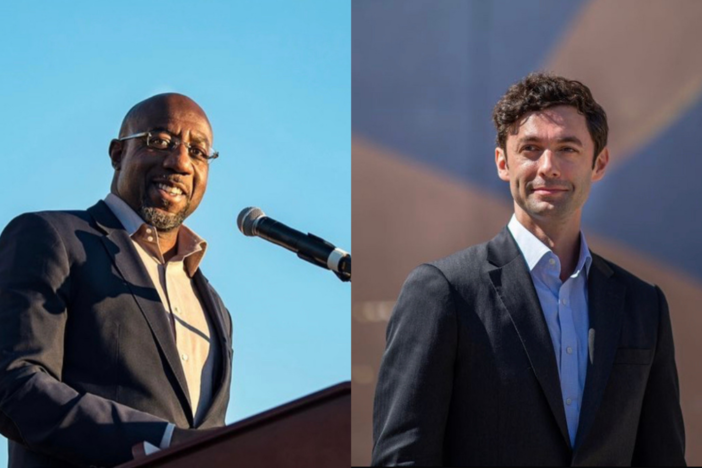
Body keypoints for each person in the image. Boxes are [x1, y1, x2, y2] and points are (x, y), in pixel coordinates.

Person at [372, 74, 685, 466]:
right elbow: (403, 459)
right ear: (503, 162)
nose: (548, 167)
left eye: (568, 149)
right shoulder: (443, 292)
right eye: (531, 149)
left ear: (599, 163)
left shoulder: (644, 305)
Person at [0, 93, 233, 467]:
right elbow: (14, 384)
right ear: (117, 153)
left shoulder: (214, 306)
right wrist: (164, 441)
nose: (179, 163)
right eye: (159, 141)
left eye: (198, 151)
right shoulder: (49, 237)